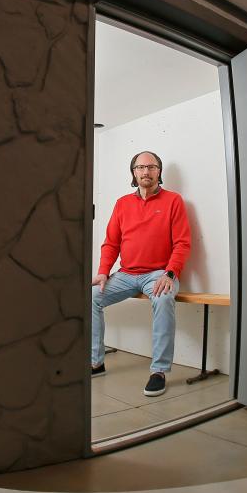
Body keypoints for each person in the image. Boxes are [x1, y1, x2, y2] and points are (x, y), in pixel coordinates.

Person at [91, 151, 191, 397]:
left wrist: (169, 274)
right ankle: (96, 361)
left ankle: (159, 371)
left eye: (152, 167)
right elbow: (111, 243)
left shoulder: (174, 201)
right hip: (125, 274)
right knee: (90, 296)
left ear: (159, 171)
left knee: (164, 298)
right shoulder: (122, 203)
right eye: (140, 167)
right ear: (133, 172)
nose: (146, 171)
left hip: (158, 274)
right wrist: (103, 272)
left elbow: (182, 243)